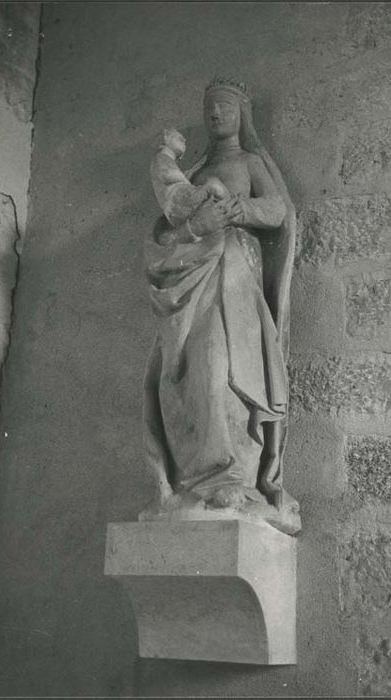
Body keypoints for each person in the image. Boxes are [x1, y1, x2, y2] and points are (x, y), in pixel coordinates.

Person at [142, 77, 300, 535]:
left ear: (241, 114)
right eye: (209, 106)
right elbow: (166, 234)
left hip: (232, 281)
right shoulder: (191, 176)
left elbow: (277, 211)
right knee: (182, 377)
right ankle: (193, 482)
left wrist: (237, 211)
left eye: (225, 106)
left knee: (220, 370)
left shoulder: (250, 162)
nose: (215, 114)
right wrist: (196, 227)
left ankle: (233, 478)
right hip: (189, 284)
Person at [150, 127, 229, 227]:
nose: (184, 140)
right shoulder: (161, 157)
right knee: (214, 184)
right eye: (179, 138)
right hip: (179, 200)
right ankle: (236, 208)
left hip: (176, 210)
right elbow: (166, 175)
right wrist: (185, 179)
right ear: (166, 140)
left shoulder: (165, 160)